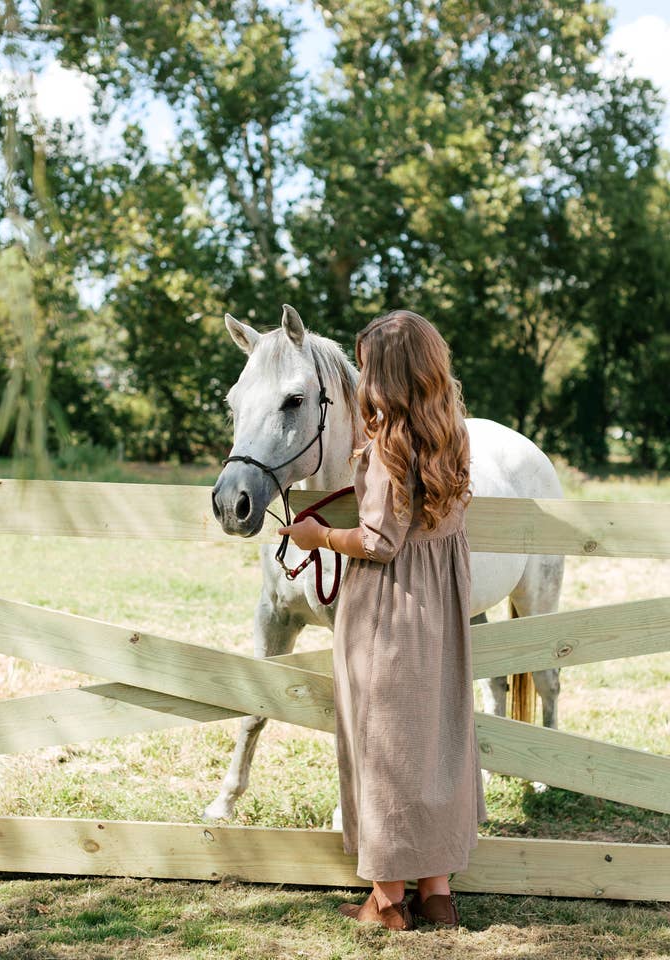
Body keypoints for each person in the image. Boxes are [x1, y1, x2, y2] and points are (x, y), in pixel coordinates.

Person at [278, 309, 487, 933]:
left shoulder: (384, 452)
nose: (362, 378)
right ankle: (438, 892)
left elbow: (378, 542)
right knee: (438, 740)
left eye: (368, 368)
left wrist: (318, 536)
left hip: (389, 610)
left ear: (387, 378)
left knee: (383, 743)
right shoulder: (452, 436)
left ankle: (389, 899)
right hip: (441, 609)